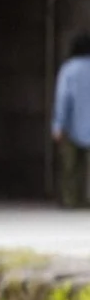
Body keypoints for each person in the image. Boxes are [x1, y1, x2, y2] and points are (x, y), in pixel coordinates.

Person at [52, 31, 90, 208]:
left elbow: (63, 98)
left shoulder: (69, 69)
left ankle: (71, 200)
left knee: (70, 167)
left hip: (72, 125)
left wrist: (58, 125)